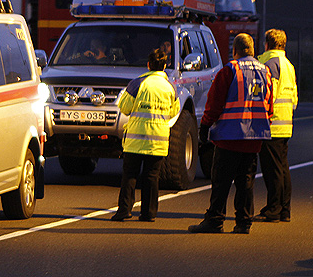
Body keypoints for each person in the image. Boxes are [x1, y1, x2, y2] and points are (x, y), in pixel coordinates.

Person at [188, 33, 273, 234]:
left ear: (235, 50)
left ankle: (215, 220)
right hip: (254, 138)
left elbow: (215, 102)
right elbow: (269, 103)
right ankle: (243, 223)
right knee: (246, 181)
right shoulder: (265, 71)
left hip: (229, 137)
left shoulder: (230, 70)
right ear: (252, 51)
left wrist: (205, 126)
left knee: (221, 182)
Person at [110, 48, 180, 222]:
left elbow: (125, 108)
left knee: (130, 175)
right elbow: (174, 111)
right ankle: (149, 213)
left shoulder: (137, 83)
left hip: (135, 140)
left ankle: (124, 211)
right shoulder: (170, 87)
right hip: (158, 141)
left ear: (148, 65)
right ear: (164, 66)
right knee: (152, 176)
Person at [254, 29, 298, 223]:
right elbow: (294, 99)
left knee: (272, 169)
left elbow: (266, 96)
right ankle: (284, 210)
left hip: (271, 124)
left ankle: (273, 209)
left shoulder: (268, 64)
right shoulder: (289, 65)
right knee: (282, 167)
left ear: (267, 44)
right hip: (285, 122)